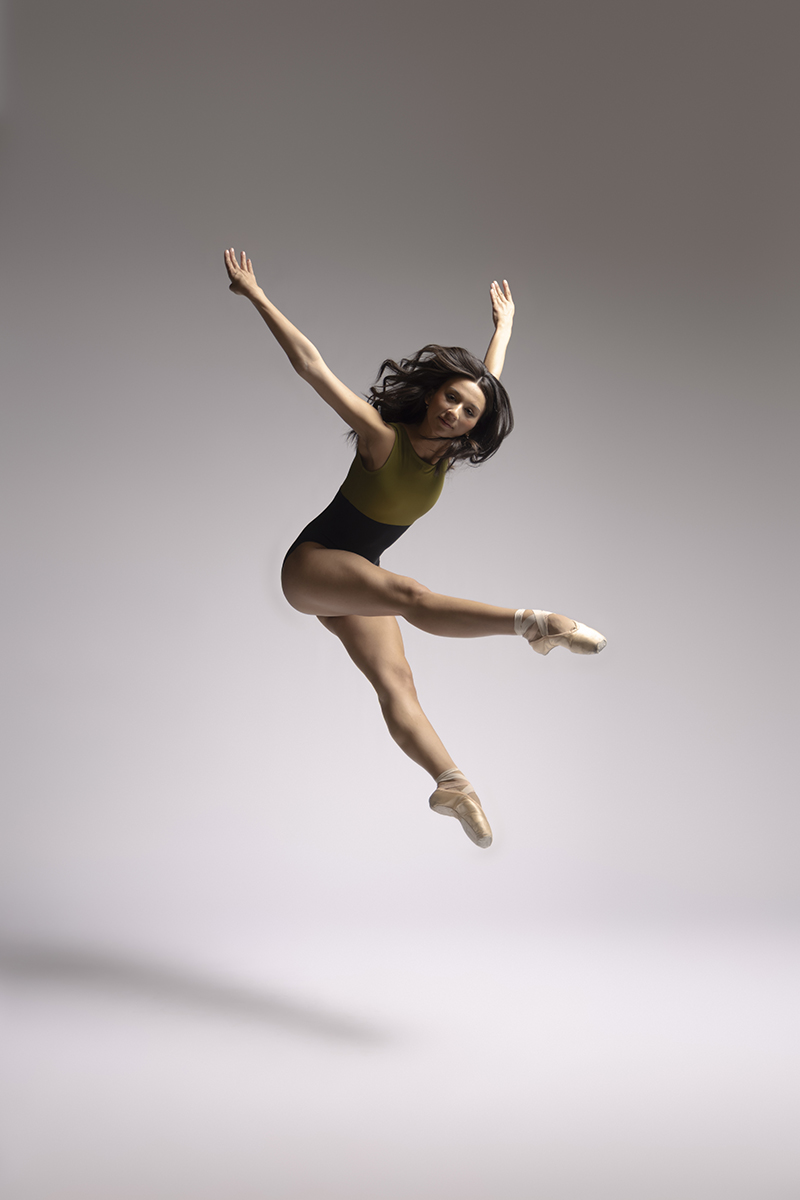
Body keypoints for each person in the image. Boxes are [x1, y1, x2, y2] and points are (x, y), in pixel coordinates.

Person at [224, 248, 606, 849]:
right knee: (410, 595)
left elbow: (489, 384)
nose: (456, 412)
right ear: (432, 397)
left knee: (397, 680)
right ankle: (534, 624)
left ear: (474, 426)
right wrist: (257, 295)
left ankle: (452, 784)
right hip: (312, 565)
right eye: (450, 399)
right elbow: (312, 367)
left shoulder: (447, 454)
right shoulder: (382, 439)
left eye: (469, 411)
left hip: (356, 575)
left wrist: (503, 329)